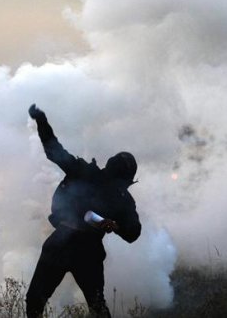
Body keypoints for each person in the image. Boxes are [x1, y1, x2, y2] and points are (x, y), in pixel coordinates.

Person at [25, 104, 141, 318]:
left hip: (65, 244)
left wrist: (41, 120)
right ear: (126, 179)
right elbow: (133, 232)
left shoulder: (85, 172)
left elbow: (54, 150)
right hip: (82, 249)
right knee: (97, 307)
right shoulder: (121, 196)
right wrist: (117, 227)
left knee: (35, 301)